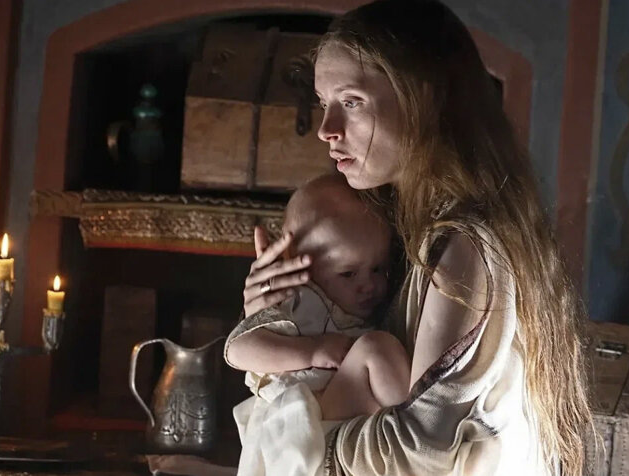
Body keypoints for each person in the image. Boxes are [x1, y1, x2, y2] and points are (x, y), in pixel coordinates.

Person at [238, 1, 594, 475]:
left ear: (422, 98)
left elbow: (419, 450)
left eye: (351, 101)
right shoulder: (395, 228)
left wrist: (297, 450)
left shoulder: (466, 244)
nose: (326, 129)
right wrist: (274, 316)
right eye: (324, 103)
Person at [225, 175, 411, 475]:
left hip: (345, 416)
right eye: (348, 273)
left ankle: (414, 437)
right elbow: (238, 351)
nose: (369, 285)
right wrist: (312, 350)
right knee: (376, 348)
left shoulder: (377, 305)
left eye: (379, 269)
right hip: (300, 424)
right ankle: (419, 437)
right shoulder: (294, 299)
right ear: (301, 263)